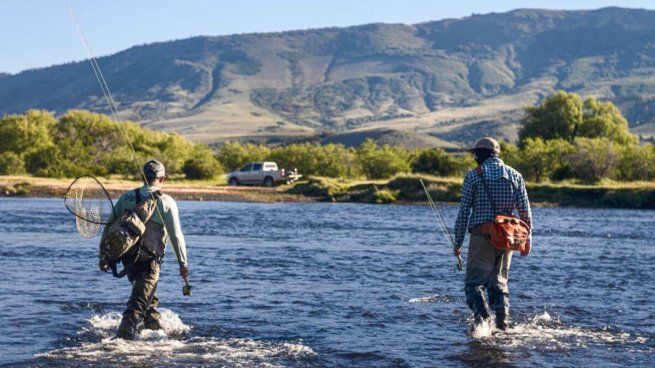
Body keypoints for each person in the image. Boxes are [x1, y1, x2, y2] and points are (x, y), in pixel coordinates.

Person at [99, 159, 189, 340]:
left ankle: (155, 330)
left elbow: (109, 227)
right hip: (150, 262)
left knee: (147, 299)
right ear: (162, 179)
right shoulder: (166, 201)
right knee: (137, 304)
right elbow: (176, 236)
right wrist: (183, 264)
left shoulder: (126, 198)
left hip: (128, 260)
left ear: (143, 177)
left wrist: (104, 257)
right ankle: (120, 341)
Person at [453, 137, 532, 331]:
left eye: (475, 155)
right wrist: (527, 241)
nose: (474, 158)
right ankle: (502, 327)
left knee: (473, 285)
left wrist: (458, 242)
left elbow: (464, 212)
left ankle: (483, 322)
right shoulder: (515, 175)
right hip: (508, 239)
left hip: (481, 237)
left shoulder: (473, 176)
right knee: (499, 284)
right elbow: (525, 212)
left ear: (480, 155)